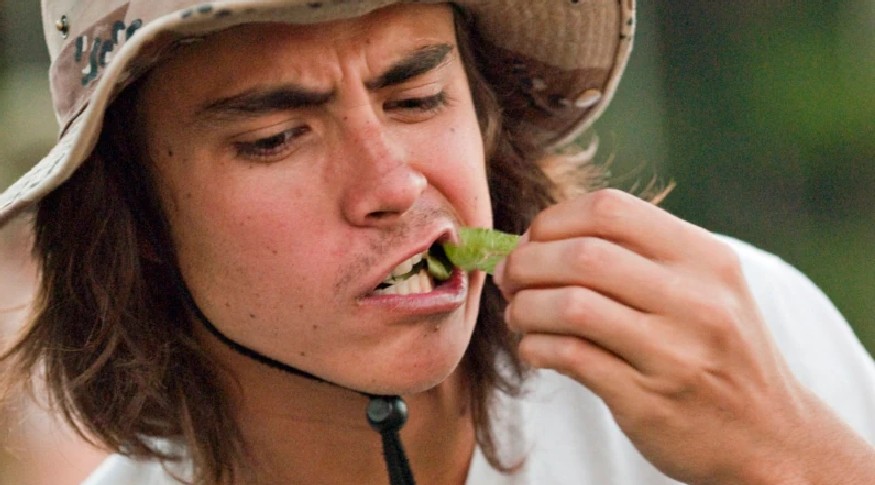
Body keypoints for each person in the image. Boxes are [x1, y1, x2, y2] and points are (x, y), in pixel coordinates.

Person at [2, 1, 874, 484]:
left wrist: (792, 455)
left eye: (417, 99)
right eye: (275, 138)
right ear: (140, 222)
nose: (395, 184)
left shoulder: (736, 331)